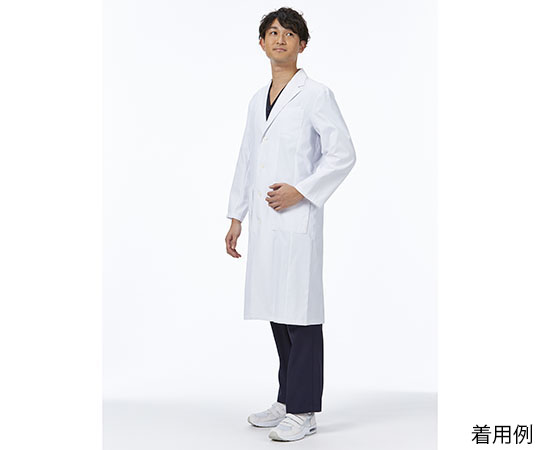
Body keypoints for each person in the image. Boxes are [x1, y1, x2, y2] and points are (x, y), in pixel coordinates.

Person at [225, 7, 356, 442]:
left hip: (297, 218)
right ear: (261, 43)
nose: (280, 39)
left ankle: (304, 410)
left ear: (302, 44)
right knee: (278, 312)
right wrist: (236, 215)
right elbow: (248, 159)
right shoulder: (256, 100)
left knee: (301, 315)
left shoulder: (316, 95)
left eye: (289, 33)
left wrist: (302, 191)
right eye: (273, 32)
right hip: (265, 221)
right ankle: (287, 398)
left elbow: (343, 154)